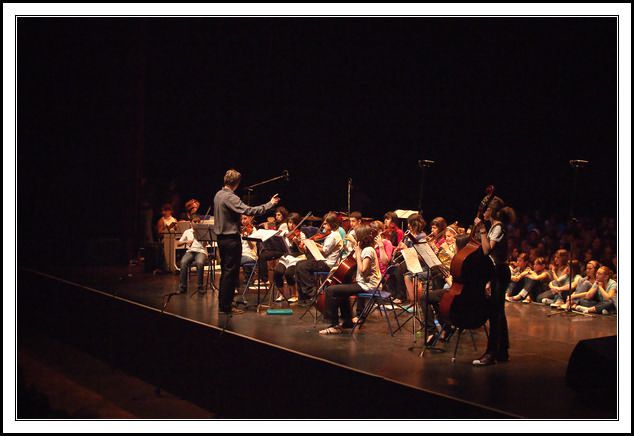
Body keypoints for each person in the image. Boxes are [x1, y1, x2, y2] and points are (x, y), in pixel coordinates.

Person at [213, 169, 280, 315]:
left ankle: (223, 304)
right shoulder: (231, 197)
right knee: (231, 274)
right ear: (236, 183)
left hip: (221, 239)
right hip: (231, 240)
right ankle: (226, 307)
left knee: (226, 272)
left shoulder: (218, 194)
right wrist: (270, 204)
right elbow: (250, 211)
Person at [472, 197, 516, 367]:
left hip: (500, 272)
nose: (484, 211)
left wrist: (482, 229)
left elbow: (486, 250)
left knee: (495, 314)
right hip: (495, 272)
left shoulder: (498, 227)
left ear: (494, 211)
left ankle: (491, 353)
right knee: (498, 313)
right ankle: (502, 350)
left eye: (487, 209)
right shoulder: (495, 227)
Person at [318, 225, 382, 335]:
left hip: (368, 286)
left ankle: (334, 325)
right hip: (364, 284)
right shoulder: (366, 249)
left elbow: (363, 270)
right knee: (341, 291)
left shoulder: (368, 250)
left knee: (331, 290)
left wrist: (357, 252)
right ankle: (347, 322)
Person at [295, 212, 344, 304]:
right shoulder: (332, 235)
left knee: (302, 267)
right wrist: (314, 244)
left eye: (325, 224)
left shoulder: (334, 236)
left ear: (331, 224)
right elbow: (325, 248)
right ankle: (302, 297)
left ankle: (312, 293)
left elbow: (325, 251)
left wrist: (312, 245)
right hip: (323, 261)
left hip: (327, 264)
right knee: (298, 264)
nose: (323, 226)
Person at [273, 212, 307, 302]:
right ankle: (282, 294)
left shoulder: (301, 235)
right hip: (287, 256)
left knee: (289, 273)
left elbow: (304, 251)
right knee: (277, 272)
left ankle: (294, 294)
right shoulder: (284, 233)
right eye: (289, 222)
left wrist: (297, 243)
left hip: (297, 257)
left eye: (293, 223)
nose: (291, 225)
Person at [175, 215, 208, 294]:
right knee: (183, 262)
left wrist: (202, 237)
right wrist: (186, 242)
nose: (196, 223)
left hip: (201, 251)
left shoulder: (203, 231)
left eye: (198, 222)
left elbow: (205, 245)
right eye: (195, 222)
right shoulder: (187, 232)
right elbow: (178, 243)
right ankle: (183, 287)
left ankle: (200, 287)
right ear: (191, 223)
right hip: (190, 251)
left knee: (199, 263)